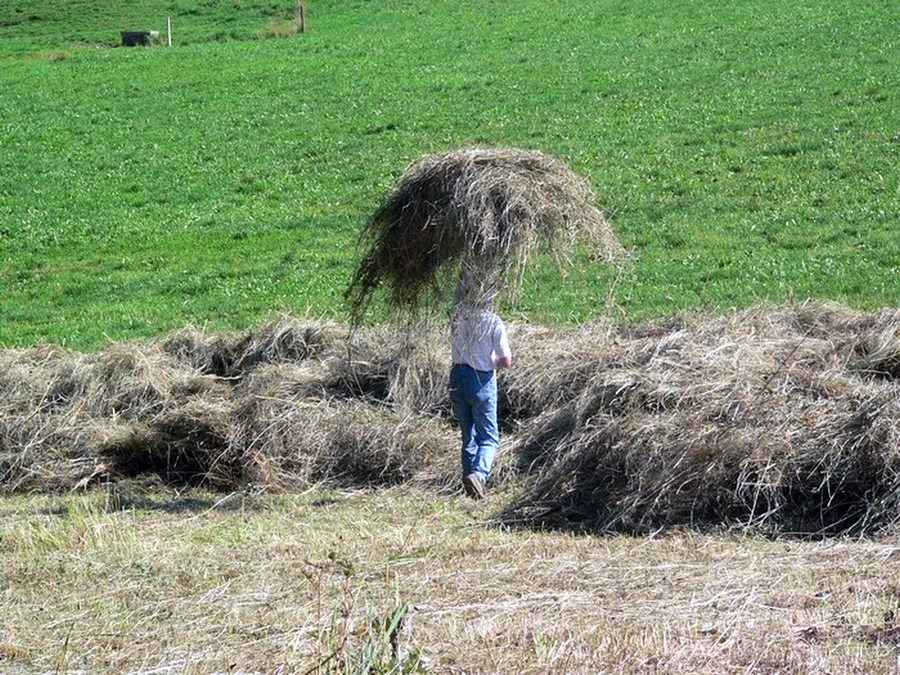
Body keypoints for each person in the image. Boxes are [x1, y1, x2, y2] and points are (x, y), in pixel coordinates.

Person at [448, 287, 513, 500]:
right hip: (480, 380)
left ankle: (470, 485)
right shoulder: (493, 322)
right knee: (489, 438)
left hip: (457, 376)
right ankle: (478, 474)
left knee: (468, 435)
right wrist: (491, 359)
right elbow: (506, 361)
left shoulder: (457, 316)